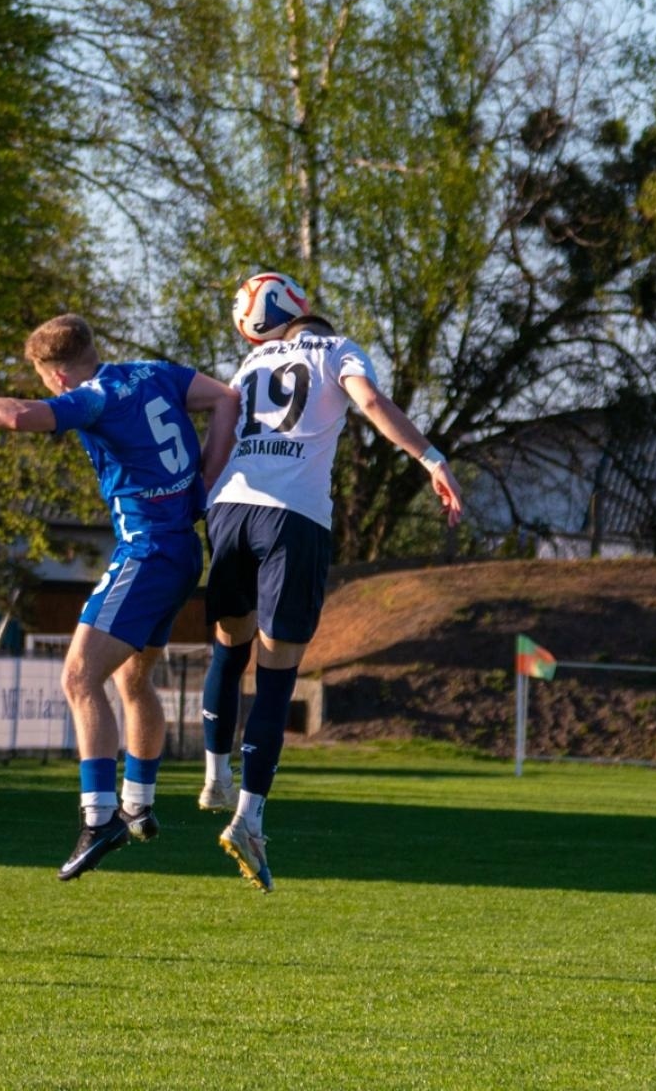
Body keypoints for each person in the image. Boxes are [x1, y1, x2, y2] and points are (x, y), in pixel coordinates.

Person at [0, 313, 239, 881]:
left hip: (147, 551)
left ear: (54, 374)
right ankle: (138, 802)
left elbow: (14, 416)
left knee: (78, 677)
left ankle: (99, 816)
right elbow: (225, 398)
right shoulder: (151, 373)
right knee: (131, 679)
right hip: (180, 551)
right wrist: (206, 477)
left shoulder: (92, 397)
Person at [201, 281, 463, 891]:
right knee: (275, 675)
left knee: (227, 644)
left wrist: (199, 501)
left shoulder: (249, 362)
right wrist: (430, 458)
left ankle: (214, 774)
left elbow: (221, 433)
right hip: (292, 518)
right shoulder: (336, 349)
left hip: (229, 509)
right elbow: (370, 402)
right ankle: (248, 818)